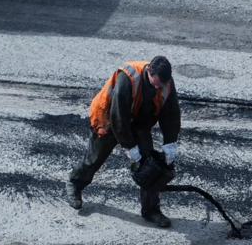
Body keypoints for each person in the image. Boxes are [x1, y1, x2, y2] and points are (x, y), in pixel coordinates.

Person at [65, 56, 181, 228]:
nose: (158, 88)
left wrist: (170, 143)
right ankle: (75, 183)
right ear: (148, 71)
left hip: (140, 119)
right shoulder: (128, 78)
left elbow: (171, 114)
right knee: (96, 156)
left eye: (161, 85)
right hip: (109, 117)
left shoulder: (166, 82)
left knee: (149, 166)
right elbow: (119, 117)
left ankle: (151, 210)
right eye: (155, 84)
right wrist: (130, 147)